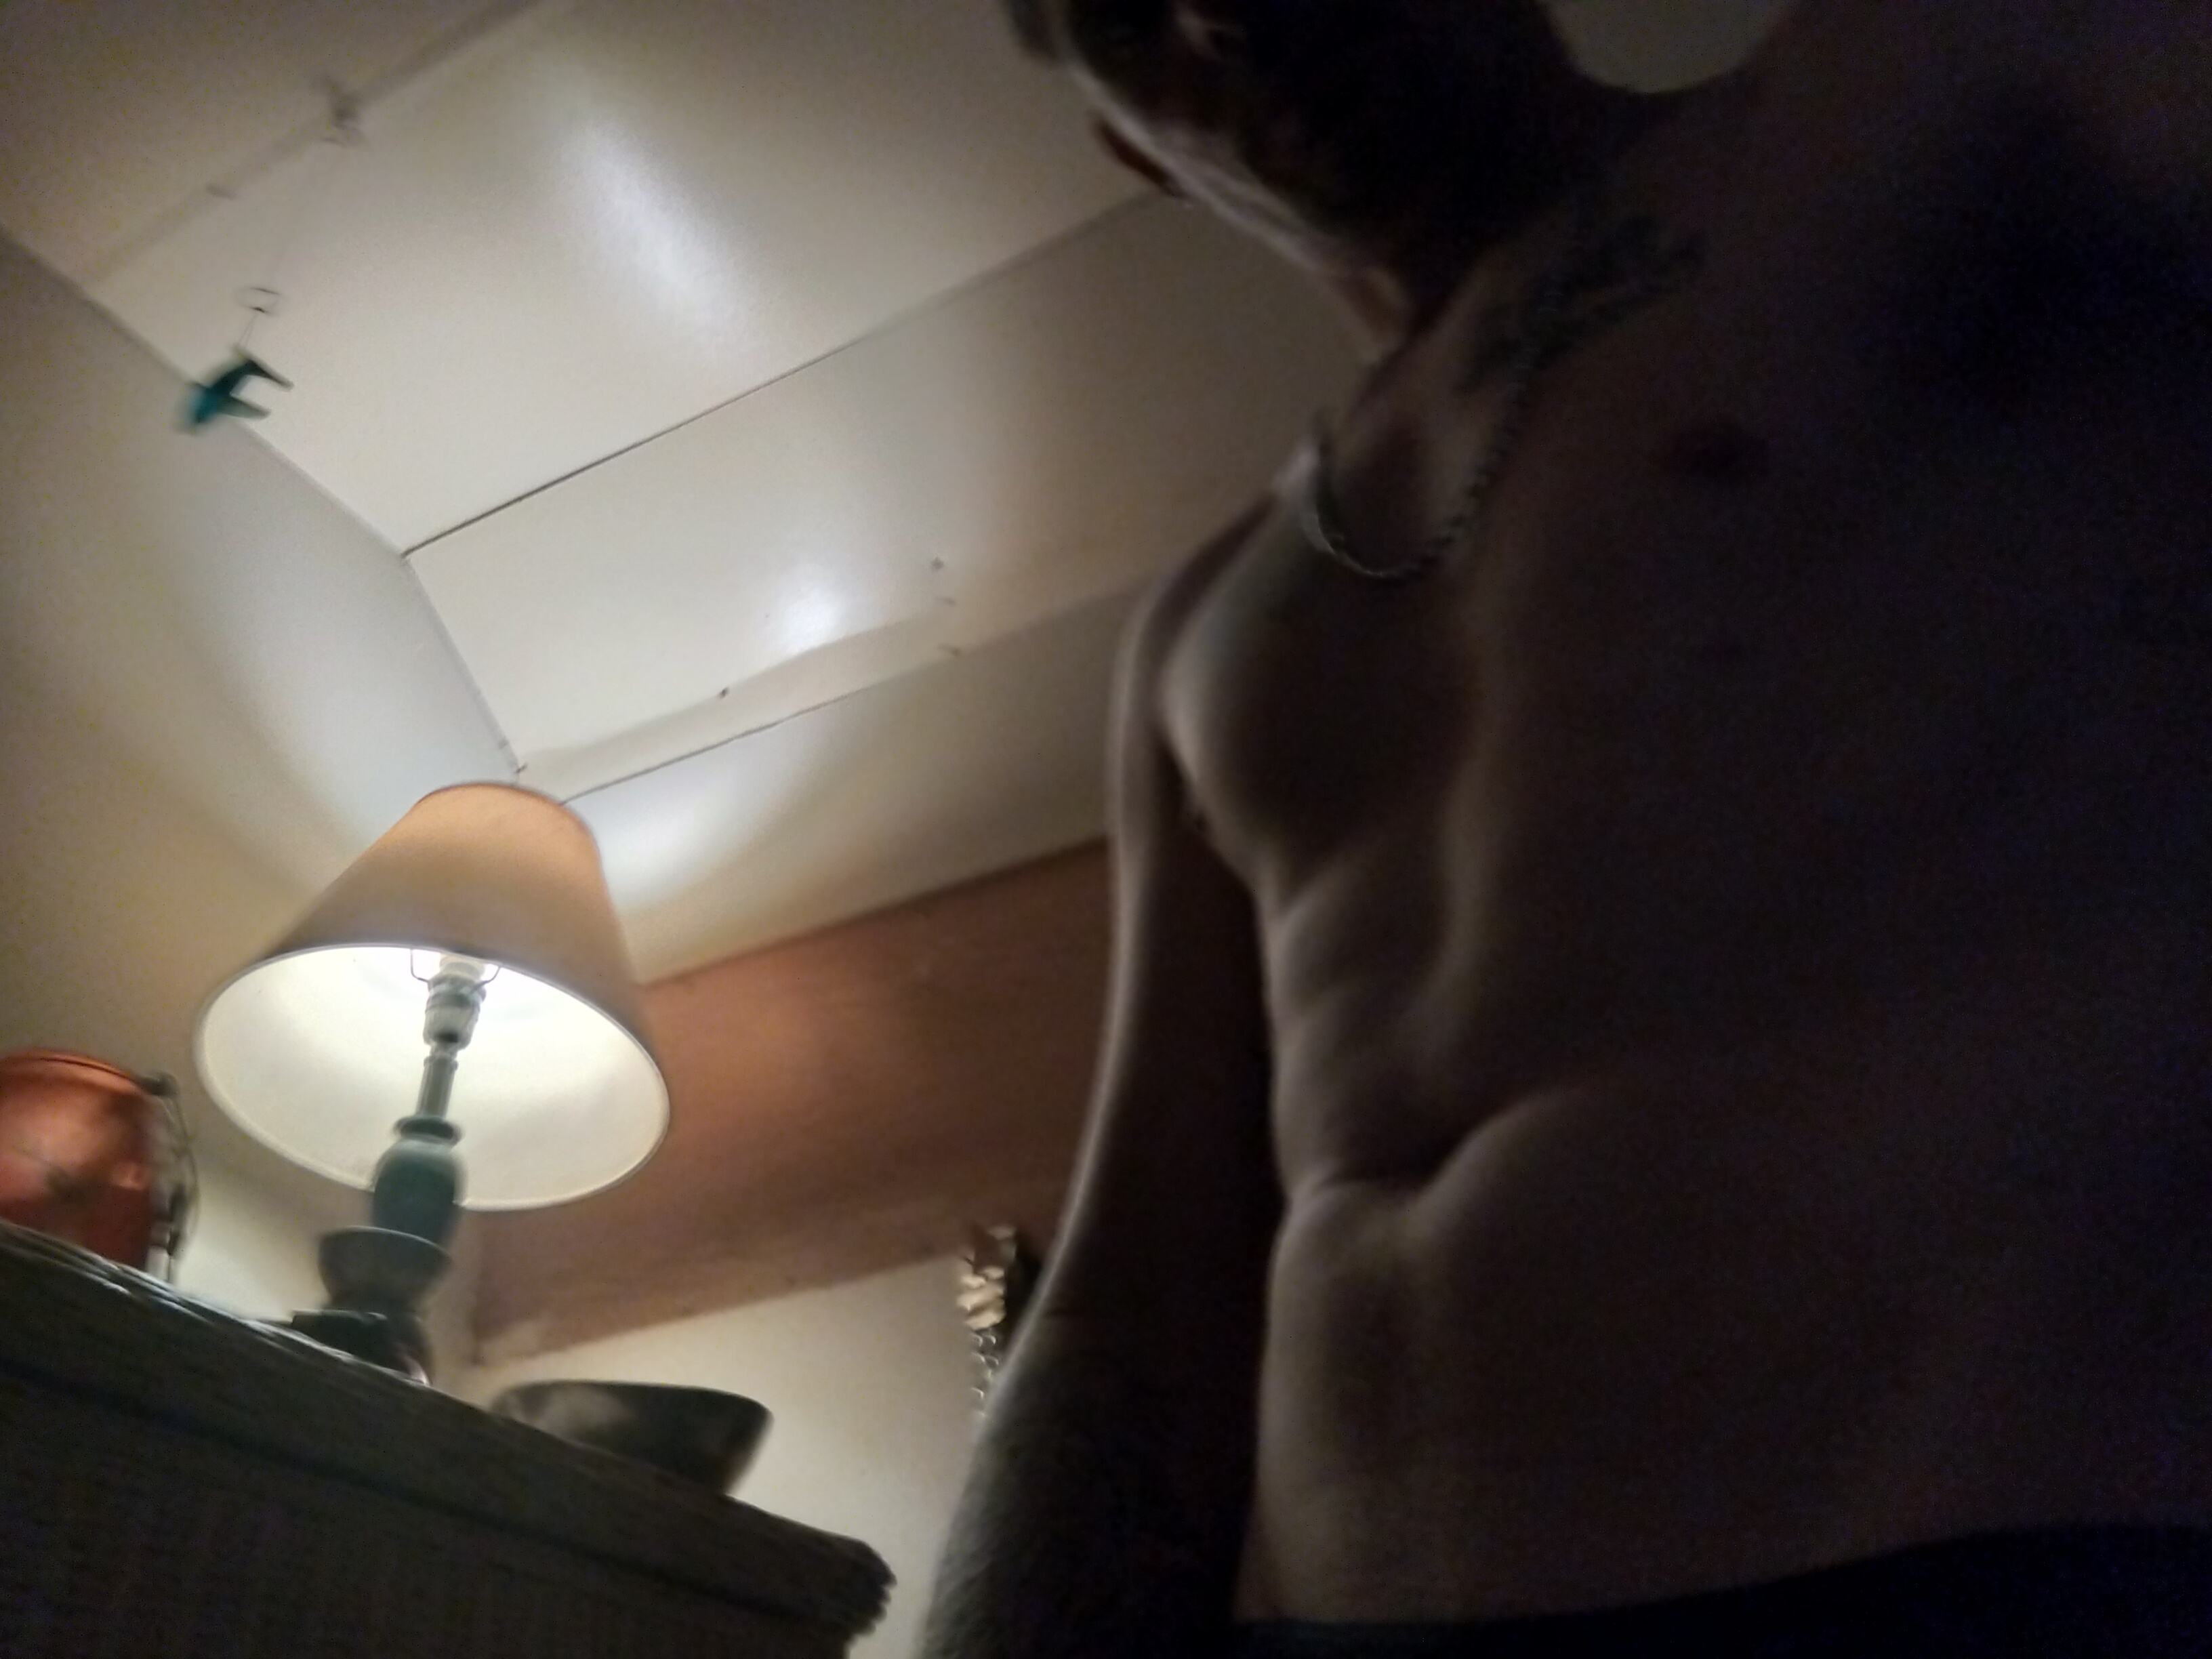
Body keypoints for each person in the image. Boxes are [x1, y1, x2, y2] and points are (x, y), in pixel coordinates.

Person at [920, 2, 2212, 1654]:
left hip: (1983, 1573)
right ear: (1130, 146)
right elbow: (1130, 1304)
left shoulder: (1901, 106)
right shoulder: (1203, 629)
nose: (1220, 10)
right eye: (1119, 9)